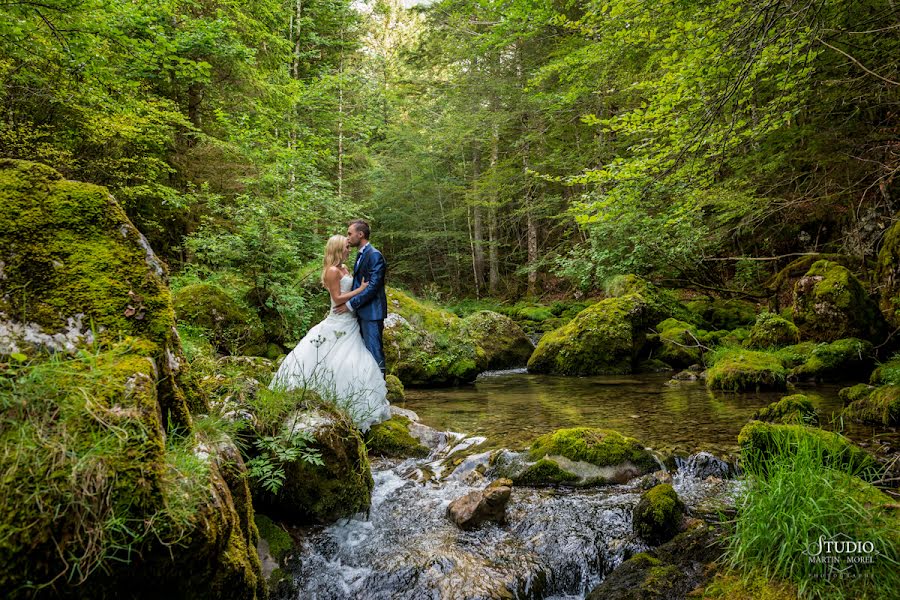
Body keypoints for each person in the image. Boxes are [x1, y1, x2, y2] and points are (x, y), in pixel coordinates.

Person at [269, 234, 390, 432]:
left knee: (357, 361)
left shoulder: (344, 268)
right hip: (338, 319)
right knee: (334, 360)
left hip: (350, 322)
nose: (348, 250)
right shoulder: (332, 271)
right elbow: (337, 298)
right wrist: (360, 290)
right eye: (345, 247)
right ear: (336, 249)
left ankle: (361, 402)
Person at [334, 220, 387, 378]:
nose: (348, 237)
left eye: (350, 233)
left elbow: (372, 288)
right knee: (363, 353)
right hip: (361, 311)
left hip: (372, 313)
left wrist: (349, 305)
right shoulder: (361, 253)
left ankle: (380, 393)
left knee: (374, 351)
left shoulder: (374, 255)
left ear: (360, 234)